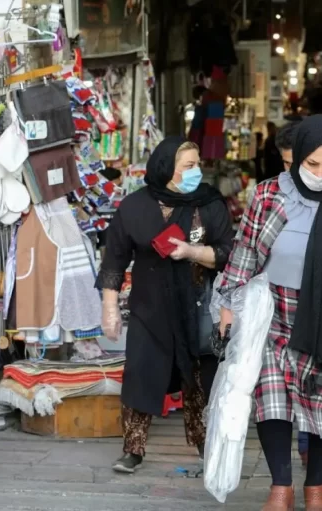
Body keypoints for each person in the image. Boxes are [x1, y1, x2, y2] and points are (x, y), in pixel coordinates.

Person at [214, 114, 322, 511]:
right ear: (298, 158)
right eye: (312, 164)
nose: (321, 173)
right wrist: (228, 302)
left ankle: (316, 487)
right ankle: (280, 487)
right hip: (276, 311)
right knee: (272, 399)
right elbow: (247, 249)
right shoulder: (270, 193)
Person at [97, 138, 233, 473]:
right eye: (188, 166)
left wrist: (192, 252)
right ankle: (134, 448)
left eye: (197, 164)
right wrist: (110, 308)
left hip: (198, 306)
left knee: (199, 376)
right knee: (142, 372)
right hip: (150, 306)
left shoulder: (209, 203)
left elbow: (229, 253)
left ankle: (205, 441)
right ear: (165, 168)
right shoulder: (135, 206)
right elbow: (114, 259)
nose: (196, 171)